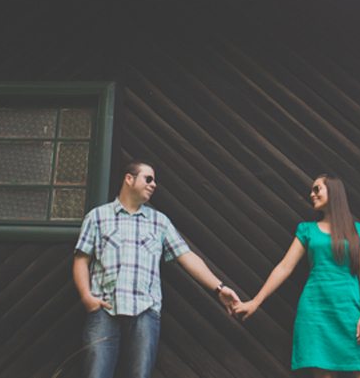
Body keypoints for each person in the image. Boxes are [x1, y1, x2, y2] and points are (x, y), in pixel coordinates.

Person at [73, 160, 240, 378]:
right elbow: (81, 261)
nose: (154, 184)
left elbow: (186, 256)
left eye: (155, 181)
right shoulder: (97, 217)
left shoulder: (159, 222)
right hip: (104, 310)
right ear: (129, 179)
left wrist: (219, 288)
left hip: (145, 312)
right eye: (148, 178)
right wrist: (87, 297)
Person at [232, 174, 360, 378]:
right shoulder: (307, 230)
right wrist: (256, 302)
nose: (312, 194)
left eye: (317, 189)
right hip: (315, 311)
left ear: (334, 191)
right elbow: (285, 267)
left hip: (350, 310)